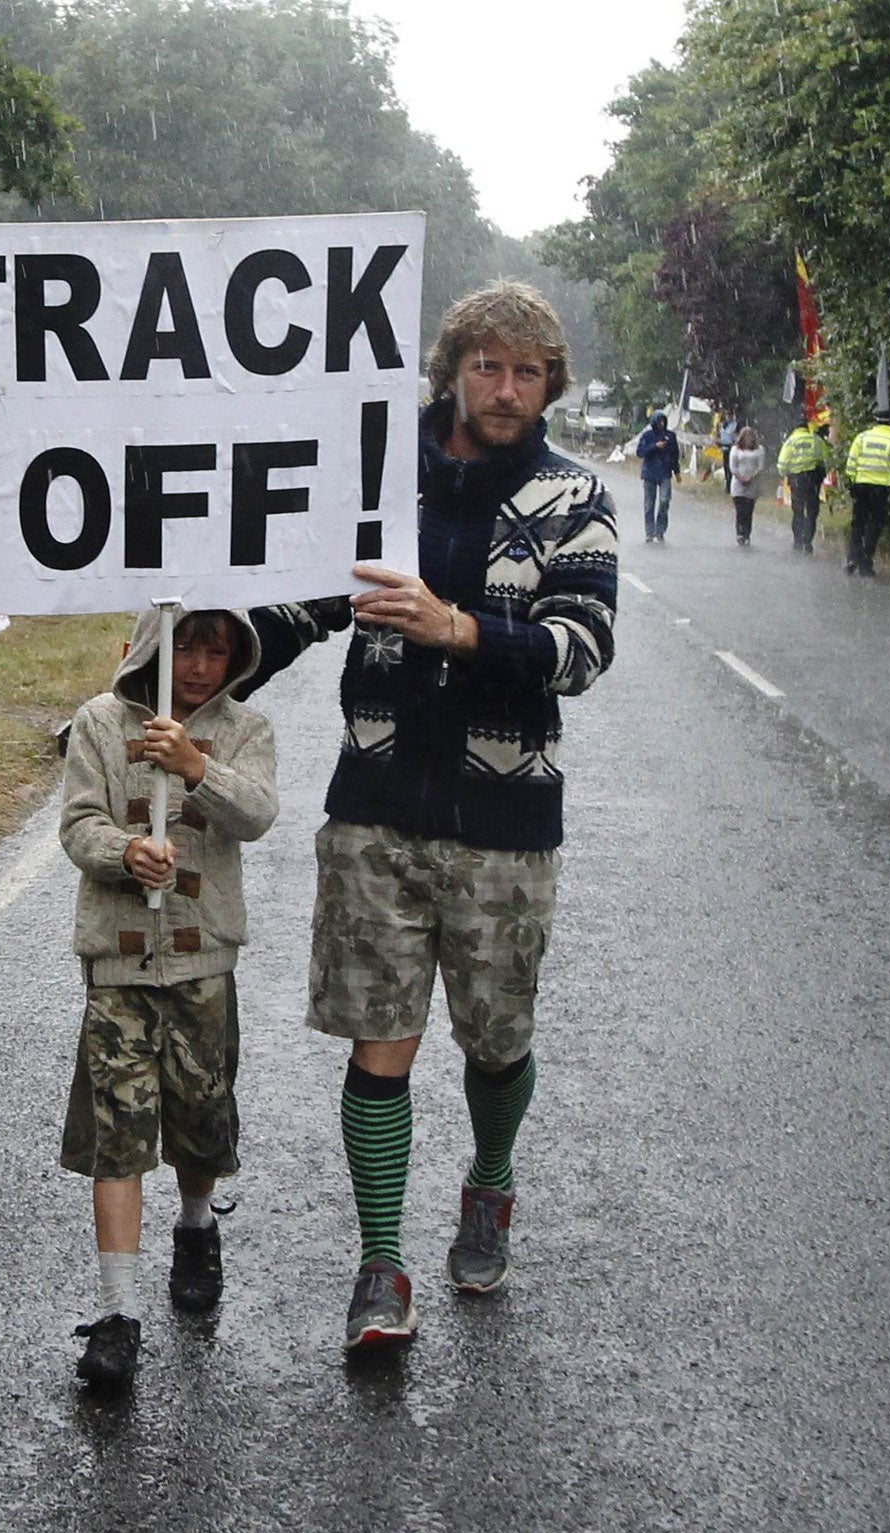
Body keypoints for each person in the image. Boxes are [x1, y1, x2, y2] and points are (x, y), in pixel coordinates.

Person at [241, 281, 617, 1350]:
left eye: (527, 372)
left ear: (550, 385)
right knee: (379, 1043)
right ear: (450, 366)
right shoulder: (376, 472)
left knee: (495, 1043)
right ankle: (379, 1265)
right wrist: (204, 660)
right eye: (486, 366)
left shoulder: (569, 496)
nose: (504, 390)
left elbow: (579, 650)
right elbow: (304, 601)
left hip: (506, 823)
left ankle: (489, 1180)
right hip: (374, 807)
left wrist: (458, 629)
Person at [57, 607, 278, 1391]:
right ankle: (117, 1312)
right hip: (117, 965)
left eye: (216, 651)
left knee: (200, 1113)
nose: (198, 666)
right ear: (156, 644)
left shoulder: (247, 728)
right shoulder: (96, 722)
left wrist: (194, 767)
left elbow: (256, 814)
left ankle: (195, 1226)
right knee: (117, 1131)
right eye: (186, 645)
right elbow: (78, 825)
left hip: (202, 961)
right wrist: (124, 853)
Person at [842, 409, 890, 578]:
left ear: (876, 421)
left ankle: (852, 558)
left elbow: (851, 464)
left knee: (858, 524)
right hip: (881, 490)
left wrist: (854, 480)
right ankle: (865, 562)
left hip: (861, 486)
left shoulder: (862, 438)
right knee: (874, 525)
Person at [776, 415, 833, 553]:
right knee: (812, 511)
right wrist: (822, 473)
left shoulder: (790, 442)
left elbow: (782, 464)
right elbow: (827, 459)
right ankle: (808, 542)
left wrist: (786, 474)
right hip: (813, 478)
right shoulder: (816, 440)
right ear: (807, 427)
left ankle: (797, 541)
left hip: (796, 480)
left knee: (798, 511)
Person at [635, 410, 681, 543]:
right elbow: (640, 452)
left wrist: (677, 472)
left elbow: (674, 455)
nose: (661, 423)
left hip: (665, 473)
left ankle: (660, 530)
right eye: (659, 421)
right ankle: (649, 532)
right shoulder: (647, 436)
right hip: (649, 473)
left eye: (663, 421)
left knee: (664, 501)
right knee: (649, 504)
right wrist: (654, 446)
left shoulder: (670, 436)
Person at [727, 424, 765, 546]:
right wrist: (740, 478)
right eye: (746, 438)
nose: (749, 440)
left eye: (751, 437)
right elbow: (733, 466)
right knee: (740, 510)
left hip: (753, 484)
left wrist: (751, 478)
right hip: (738, 484)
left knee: (748, 510)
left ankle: (747, 534)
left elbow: (760, 467)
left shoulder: (759, 450)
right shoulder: (735, 450)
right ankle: (740, 533)